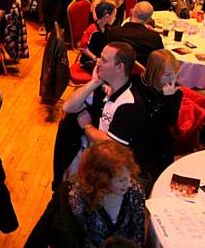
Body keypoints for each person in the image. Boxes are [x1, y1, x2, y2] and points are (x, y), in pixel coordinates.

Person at [60, 42, 152, 186]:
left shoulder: (130, 103)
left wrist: (87, 126)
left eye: (104, 60)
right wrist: (93, 83)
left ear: (119, 67)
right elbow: (68, 106)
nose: (98, 62)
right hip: (94, 157)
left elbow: (113, 146)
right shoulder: (104, 87)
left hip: (113, 171)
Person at [27, 140, 145, 248]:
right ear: (101, 180)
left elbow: (138, 236)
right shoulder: (75, 197)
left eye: (129, 177)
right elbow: (74, 241)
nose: (129, 184)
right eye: (121, 180)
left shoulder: (135, 192)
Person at [133, 50, 182, 177]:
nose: (172, 79)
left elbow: (171, 121)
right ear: (154, 73)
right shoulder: (138, 84)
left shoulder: (175, 92)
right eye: (167, 75)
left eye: (175, 74)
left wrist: (169, 98)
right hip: (139, 138)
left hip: (160, 141)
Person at [106, 2, 164, 67]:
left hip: (115, 71)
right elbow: (160, 61)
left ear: (131, 12)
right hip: (141, 75)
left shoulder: (114, 32)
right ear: (148, 20)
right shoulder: (154, 38)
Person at [78, 0, 116, 71]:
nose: (115, 18)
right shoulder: (92, 29)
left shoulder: (107, 28)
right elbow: (82, 48)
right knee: (105, 72)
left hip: (100, 59)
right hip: (89, 61)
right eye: (114, 16)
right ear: (107, 16)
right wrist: (95, 58)